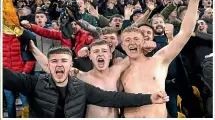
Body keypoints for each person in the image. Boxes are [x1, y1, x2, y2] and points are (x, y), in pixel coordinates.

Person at [3, 46, 169, 118]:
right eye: (54, 61)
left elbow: (113, 98)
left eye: (64, 61)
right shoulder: (34, 83)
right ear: (48, 65)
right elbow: (7, 76)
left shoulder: (81, 88)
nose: (59, 65)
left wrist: (149, 98)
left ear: (70, 65)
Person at [119, 0, 205, 118]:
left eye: (136, 39)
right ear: (122, 46)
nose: (132, 43)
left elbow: (185, 32)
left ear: (144, 41)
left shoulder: (159, 60)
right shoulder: (118, 69)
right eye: (127, 40)